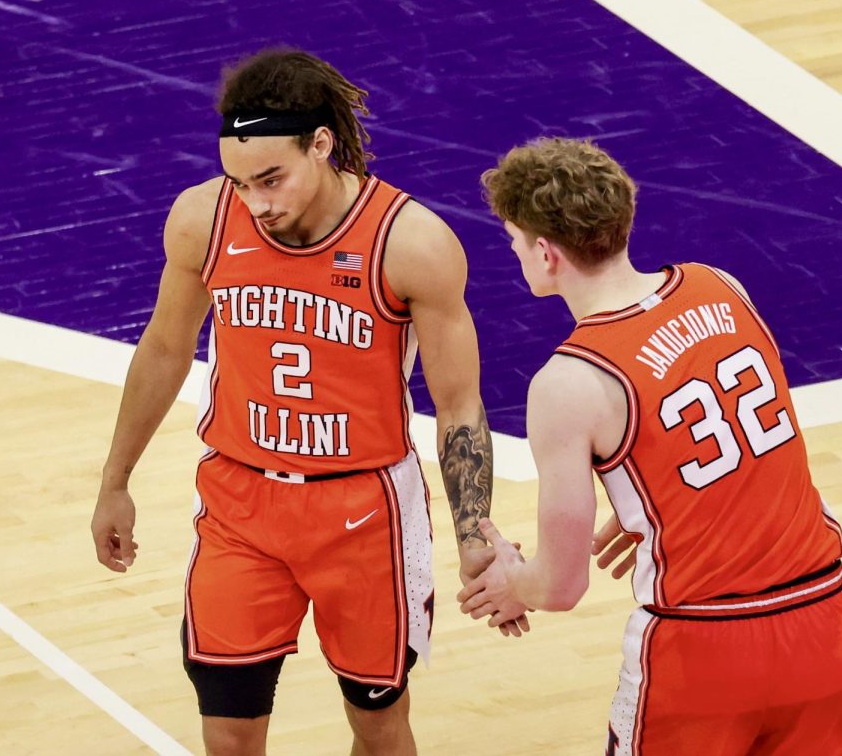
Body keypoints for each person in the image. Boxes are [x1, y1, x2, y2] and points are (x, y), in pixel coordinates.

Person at [90, 48, 523, 756]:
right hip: (241, 504)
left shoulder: (410, 244)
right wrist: (115, 480)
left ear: (321, 145)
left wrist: (473, 528)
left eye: (271, 179)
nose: (255, 201)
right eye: (240, 180)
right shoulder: (203, 220)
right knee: (226, 734)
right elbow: (165, 348)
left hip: (364, 514)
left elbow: (459, 405)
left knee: (380, 728)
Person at [459, 138, 842, 755]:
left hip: (701, 647)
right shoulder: (720, 287)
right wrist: (666, 506)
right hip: (823, 621)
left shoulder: (569, 382)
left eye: (514, 240)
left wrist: (518, 583)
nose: (515, 253)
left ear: (545, 254)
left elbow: (563, 586)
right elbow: (754, 446)